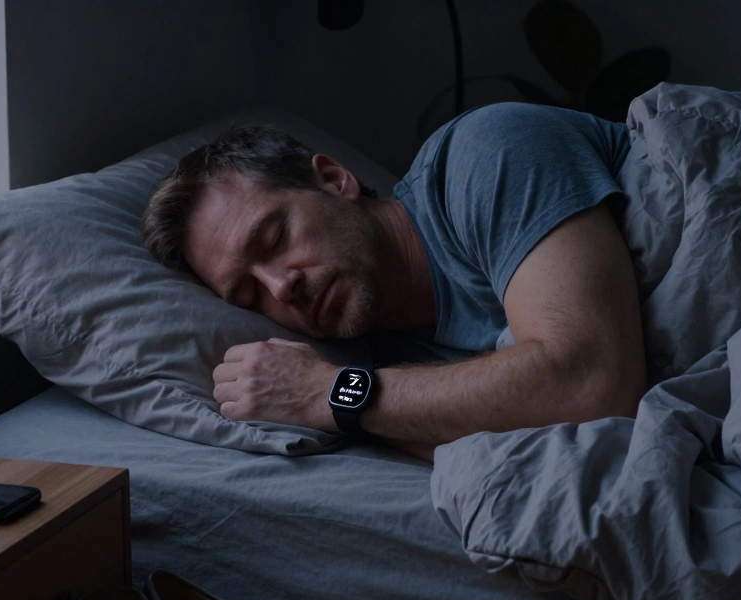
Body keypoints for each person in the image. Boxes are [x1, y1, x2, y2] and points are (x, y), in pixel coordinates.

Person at [141, 103, 647, 461]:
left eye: (274, 238)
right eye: (249, 295)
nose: (279, 288)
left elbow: (593, 381)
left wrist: (330, 393)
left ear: (336, 180)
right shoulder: (396, 365)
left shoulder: (485, 151)